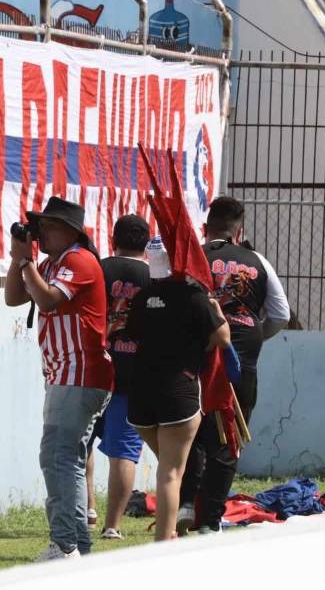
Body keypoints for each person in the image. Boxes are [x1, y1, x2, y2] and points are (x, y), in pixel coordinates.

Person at [5, 197, 112, 561]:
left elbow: (48, 301)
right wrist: (20, 258)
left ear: (70, 230)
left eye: (47, 226)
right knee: (67, 458)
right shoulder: (50, 263)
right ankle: (77, 544)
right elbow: (14, 297)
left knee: (57, 456)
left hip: (79, 371)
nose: (41, 232)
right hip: (66, 372)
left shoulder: (79, 260)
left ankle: (65, 544)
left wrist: (25, 260)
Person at [177, 196, 290, 534]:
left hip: (194, 365)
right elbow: (280, 314)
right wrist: (250, 341)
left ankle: (185, 504)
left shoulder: (191, 257)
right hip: (238, 367)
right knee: (229, 442)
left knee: (192, 435)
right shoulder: (257, 261)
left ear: (205, 226)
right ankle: (209, 521)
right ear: (239, 230)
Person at [125, 242, 230, 541]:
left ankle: (171, 528)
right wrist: (211, 301)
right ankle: (164, 540)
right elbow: (223, 338)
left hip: (141, 395)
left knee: (170, 468)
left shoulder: (142, 297)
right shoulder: (194, 297)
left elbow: (133, 333)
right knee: (171, 472)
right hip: (178, 394)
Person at [86, 214, 151, 540]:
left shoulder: (99, 269)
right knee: (124, 452)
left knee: (79, 442)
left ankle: (88, 508)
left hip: (95, 367)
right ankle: (113, 525)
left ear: (113, 239)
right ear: (146, 243)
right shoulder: (153, 276)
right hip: (134, 375)